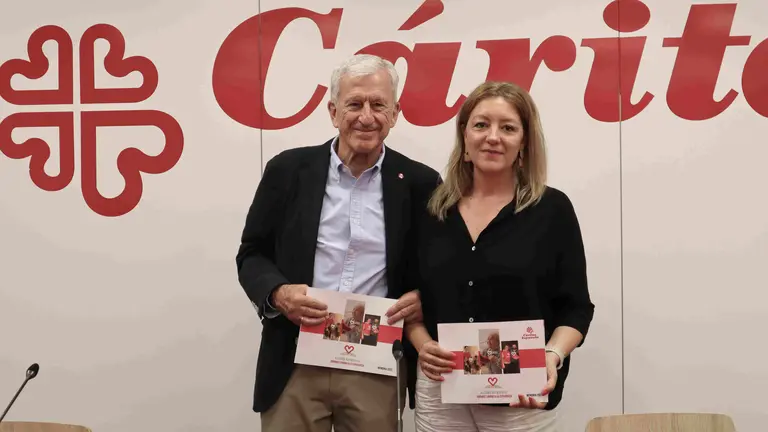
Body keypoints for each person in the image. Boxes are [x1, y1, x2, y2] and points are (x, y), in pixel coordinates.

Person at [235, 53, 441, 432]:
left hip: (374, 363)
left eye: (379, 105)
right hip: (294, 359)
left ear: (395, 114)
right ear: (333, 111)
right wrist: (278, 293)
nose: (367, 116)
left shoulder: (421, 184)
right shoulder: (287, 171)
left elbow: (440, 267)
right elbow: (252, 255)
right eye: (354, 104)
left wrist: (424, 297)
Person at [405, 81, 595, 431]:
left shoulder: (552, 210)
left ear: (524, 143)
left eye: (508, 128)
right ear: (464, 136)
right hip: (441, 388)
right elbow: (410, 300)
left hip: (520, 393)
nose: (493, 137)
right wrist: (423, 344)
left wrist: (552, 354)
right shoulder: (433, 211)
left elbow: (577, 307)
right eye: (481, 124)